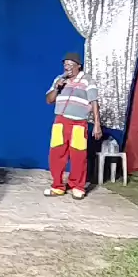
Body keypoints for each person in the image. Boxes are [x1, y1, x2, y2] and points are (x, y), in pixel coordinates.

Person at [45, 51, 102, 199]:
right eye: (65, 65)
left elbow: (94, 102)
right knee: (56, 155)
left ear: (78, 66)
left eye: (70, 65)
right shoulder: (59, 79)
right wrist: (57, 88)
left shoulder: (87, 80)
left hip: (78, 123)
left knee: (78, 156)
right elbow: (49, 100)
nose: (67, 67)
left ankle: (77, 186)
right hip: (60, 122)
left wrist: (97, 124)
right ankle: (57, 186)